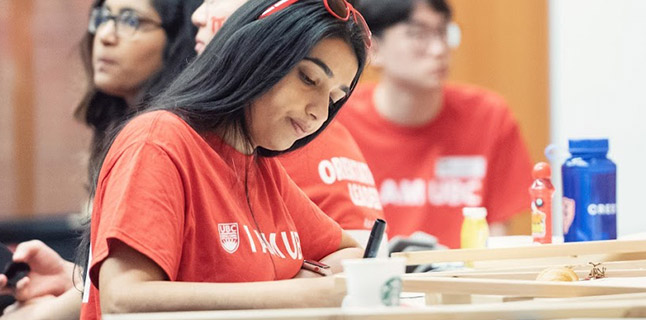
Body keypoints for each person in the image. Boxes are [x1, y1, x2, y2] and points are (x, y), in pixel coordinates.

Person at [79, 0, 370, 317]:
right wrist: (294, 293)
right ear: (255, 54)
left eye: (333, 98)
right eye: (309, 79)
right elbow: (123, 299)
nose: (319, 111)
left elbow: (348, 251)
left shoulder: (259, 167)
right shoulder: (158, 141)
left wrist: (298, 286)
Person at [1, 0, 200, 318]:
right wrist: (73, 275)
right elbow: (127, 272)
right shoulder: (118, 126)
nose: (106, 35)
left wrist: (45, 314)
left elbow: (148, 289)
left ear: (179, 38)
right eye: (104, 17)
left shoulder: (160, 138)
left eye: (131, 21)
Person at [343, 0, 533, 248]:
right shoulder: (339, 122)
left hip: (464, 282)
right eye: (418, 34)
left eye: (443, 32)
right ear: (373, 48)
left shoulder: (488, 117)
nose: (439, 49)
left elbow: (496, 238)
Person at [193, 0, 385, 246]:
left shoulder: (272, 151)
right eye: (308, 79)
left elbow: (351, 259)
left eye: (333, 99)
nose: (198, 15)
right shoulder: (172, 139)